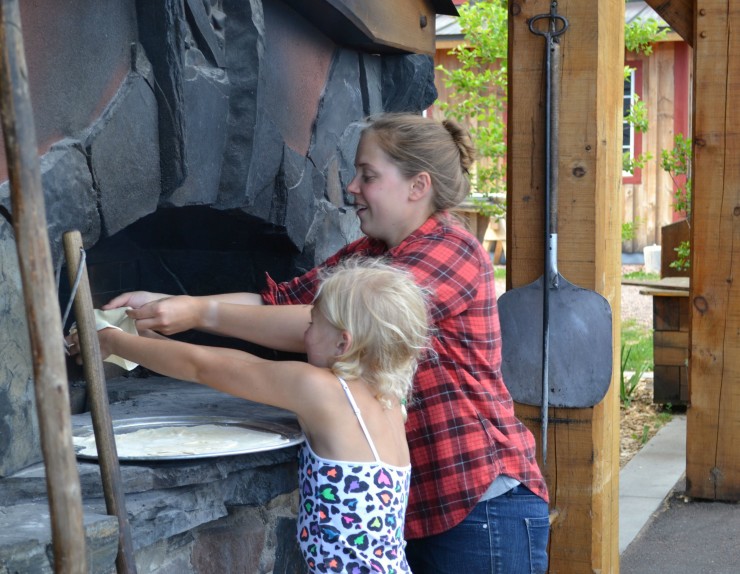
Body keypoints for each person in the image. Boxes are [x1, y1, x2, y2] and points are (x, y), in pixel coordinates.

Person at [103, 113, 551, 573]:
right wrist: (168, 303)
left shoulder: (449, 248)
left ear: (418, 186)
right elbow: (277, 302)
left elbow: (315, 323)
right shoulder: (368, 255)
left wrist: (194, 315)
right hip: (422, 507)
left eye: (368, 175)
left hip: (479, 502)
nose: (352, 186)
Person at [71, 258, 429, 574]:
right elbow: (241, 365)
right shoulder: (388, 398)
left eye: (312, 323)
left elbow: (204, 368)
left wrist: (112, 342)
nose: (303, 332)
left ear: (343, 343)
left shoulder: (323, 391)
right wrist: (148, 342)